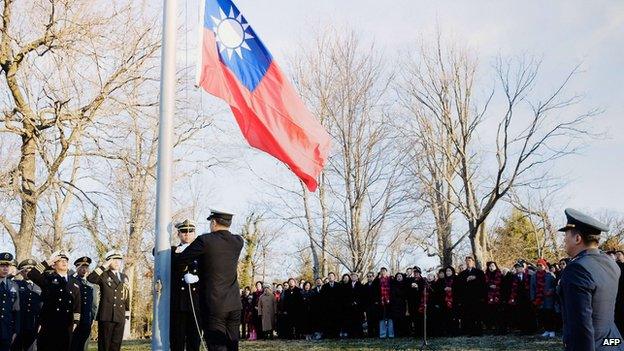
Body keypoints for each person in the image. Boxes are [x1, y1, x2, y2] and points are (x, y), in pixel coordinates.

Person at [174, 209, 244, 351]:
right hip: (234, 303)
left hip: (214, 304)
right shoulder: (238, 241)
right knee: (232, 345)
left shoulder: (205, 240)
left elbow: (182, 260)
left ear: (213, 222)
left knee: (217, 345)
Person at [557, 208, 623, 351]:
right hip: (613, 342)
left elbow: (581, 326)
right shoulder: (611, 264)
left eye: (566, 236)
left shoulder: (576, 269)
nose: (564, 240)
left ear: (577, 238)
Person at [27, 251, 80, 351]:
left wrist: (76, 321)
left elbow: (77, 304)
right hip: (49, 323)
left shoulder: (75, 282)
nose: (64, 262)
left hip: (67, 323)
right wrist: (49, 261)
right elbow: (32, 274)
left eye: (66, 260)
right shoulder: (48, 278)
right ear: (54, 265)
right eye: (60, 260)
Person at [87, 250, 130, 351]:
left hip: (120, 315)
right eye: (114, 260)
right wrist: (103, 266)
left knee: (116, 345)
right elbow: (91, 278)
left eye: (119, 260)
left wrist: (127, 311)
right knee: (104, 345)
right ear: (108, 262)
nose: (117, 262)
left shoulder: (124, 277)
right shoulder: (103, 275)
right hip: (106, 315)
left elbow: (126, 295)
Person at [170, 219, 201, 351]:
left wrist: (198, 277)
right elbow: (156, 251)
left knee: (194, 341)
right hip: (179, 303)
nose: (187, 234)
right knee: (177, 340)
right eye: (183, 231)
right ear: (178, 234)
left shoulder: (202, 251)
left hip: (196, 302)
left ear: (194, 233)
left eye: (190, 231)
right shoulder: (172, 250)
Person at [12, 259, 41, 351]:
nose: (28, 271)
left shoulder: (40, 286)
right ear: (21, 272)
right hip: (18, 325)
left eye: (31, 269)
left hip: (34, 325)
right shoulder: (15, 284)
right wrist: (12, 275)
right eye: (25, 269)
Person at [70, 257, 97, 351]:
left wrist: (93, 317)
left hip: (86, 319)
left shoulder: (91, 284)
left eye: (86, 267)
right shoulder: (71, 281)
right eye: (81, 267)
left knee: (83, 345)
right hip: (74, 319)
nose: (84, 269)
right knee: (73, 345)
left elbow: (94, 303)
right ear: (77, 268)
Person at [457, 256, 486, 336]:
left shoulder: (479, 272)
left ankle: (479, 331)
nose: (468, 262)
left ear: (473, 262)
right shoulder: (462, 274)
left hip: (477, 297)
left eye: (469, 260)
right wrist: (466, 280)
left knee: (478, 315)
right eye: (466, 261)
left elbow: (483, 284)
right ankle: (470, 332)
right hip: (467, 298)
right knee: (469, 315)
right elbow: (459, 286)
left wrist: (475, 278)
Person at [530, 258, 557, 338]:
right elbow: (532, 288)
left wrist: (551, 291)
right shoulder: (534, 276)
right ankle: (546, 329)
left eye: (541, 265)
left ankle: (552, 330)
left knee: (549, 314)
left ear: (544, 266)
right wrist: (533, 298)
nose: (539, 267)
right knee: (542, 315)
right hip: (539, 299)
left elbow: (555, 286)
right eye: (538, 265)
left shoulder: (550, 275)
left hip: (548, 299)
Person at [0, 253, 19, 351]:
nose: (5, 269)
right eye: (2, 266)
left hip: (7, 331)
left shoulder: (14, 285)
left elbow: (16, 309)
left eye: (7, 266)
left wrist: (15, 331)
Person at [484, 261, 503, 334]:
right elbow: (485, 284)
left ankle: (499, 328)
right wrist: (489, 286)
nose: (491, 267)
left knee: (498, 312)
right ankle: (492, 328)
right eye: (490, 266)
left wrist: (496, 286)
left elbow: (502, 283)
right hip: (489, 296)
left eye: (492, 266)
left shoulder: (499, 273)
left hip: (498, 295)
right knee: (491, 312)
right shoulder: (486, 275)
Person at [321, 273, 340, 338]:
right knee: (328, 321)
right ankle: (329, 335)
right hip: (328, 308)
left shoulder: (338, 285)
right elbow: (322, 298)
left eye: (332, 276)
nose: (330, 277)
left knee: (336, 321)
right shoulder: (324, 286)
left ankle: (336, 335)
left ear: (334, 277)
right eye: (329, 276)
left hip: (337, 307)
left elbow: (341, 297)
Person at [360, 272, 378, 338]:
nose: (369, 278)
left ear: (373, 277)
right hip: (368, 306)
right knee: (369, 320)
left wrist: (377, 302)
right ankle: (370, 334)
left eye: (370, 276)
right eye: (368, 276)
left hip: (375, 305)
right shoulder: (365, 286)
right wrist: (364, 308)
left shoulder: (376, 285)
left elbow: (378, 295)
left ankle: (376, 333)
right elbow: (363, 297)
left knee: (375, 320)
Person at [615, 250, 624, 335]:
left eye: (619, 254)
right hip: (616, 297)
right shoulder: (614, 267)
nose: (617, 256)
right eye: (616, 255)